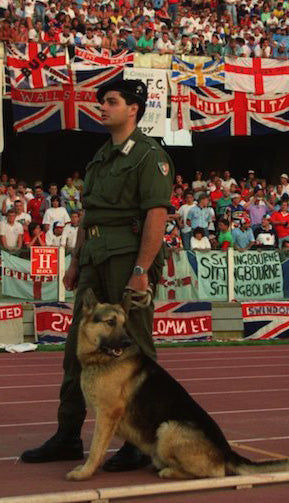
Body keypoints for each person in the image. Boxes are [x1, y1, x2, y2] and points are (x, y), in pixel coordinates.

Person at [21, 79, 173, 472]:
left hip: (127, 256)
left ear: (133, 109)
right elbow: (89, 212)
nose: (102, 107)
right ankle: (68, 434)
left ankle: (139, 440)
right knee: (78, 348)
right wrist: (74, 261)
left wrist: (141, 270)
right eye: (101, 101)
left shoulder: (148, 155)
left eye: (111, 101)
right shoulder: (102, 156)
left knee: (134, 348)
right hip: (94, 256)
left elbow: (157, 214)